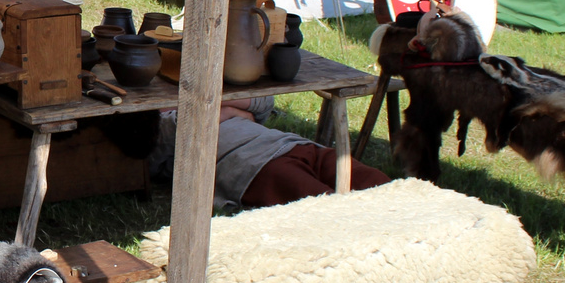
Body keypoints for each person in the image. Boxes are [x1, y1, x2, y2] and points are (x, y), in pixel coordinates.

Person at [152, 98, 390, 210]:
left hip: (296, 146)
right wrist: (229, 111)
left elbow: (263, 102)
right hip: (254, 166)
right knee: (329, 209)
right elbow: (189, 123)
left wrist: (211, 99)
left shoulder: (199, 98)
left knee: (381, 186)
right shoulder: (158, 123)